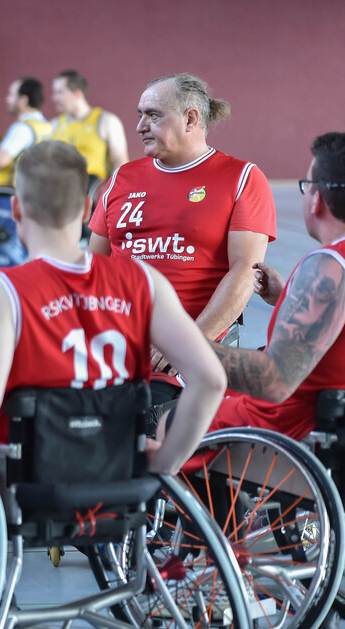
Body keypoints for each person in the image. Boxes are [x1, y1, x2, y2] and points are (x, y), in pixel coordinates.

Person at [0, 140, 226, 484]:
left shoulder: (1, 289)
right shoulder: (144, 279)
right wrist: (167, 460)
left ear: (16, 210)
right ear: (85, 210)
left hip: (29, 475)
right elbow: (211, 380)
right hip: (117, 471)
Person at [87, 73, 277, 425]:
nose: (141, 125)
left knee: (144, 421)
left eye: (153, 115)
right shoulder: (121, 179)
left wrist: (188, 344)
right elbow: (90, 268)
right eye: (140, 115)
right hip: (113, 345)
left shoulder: (242, 178)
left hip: (184, 354)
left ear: (191, 118)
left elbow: (245, 271)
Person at [195, 133, 345, 441]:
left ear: (316, 198)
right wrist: (288, 299)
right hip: (322, 415)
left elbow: (274, 381)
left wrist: (187, 345)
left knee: (171, 420)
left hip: (288, 426)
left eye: (306, 186)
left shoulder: (327, 265)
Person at [0, 77, 52, 193]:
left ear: (23, 100)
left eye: (11, 95)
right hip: (36, 188)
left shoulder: (22, 128)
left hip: (12, 190)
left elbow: (1, 160)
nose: (7, 99)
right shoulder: (46, 125)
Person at [51, 70, 128, 184]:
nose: (55, 98)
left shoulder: (107, 121)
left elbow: (120, 162)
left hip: (92, 190)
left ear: (77, 93)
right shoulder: (54, 124)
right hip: (59, 190)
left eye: (60, 93)